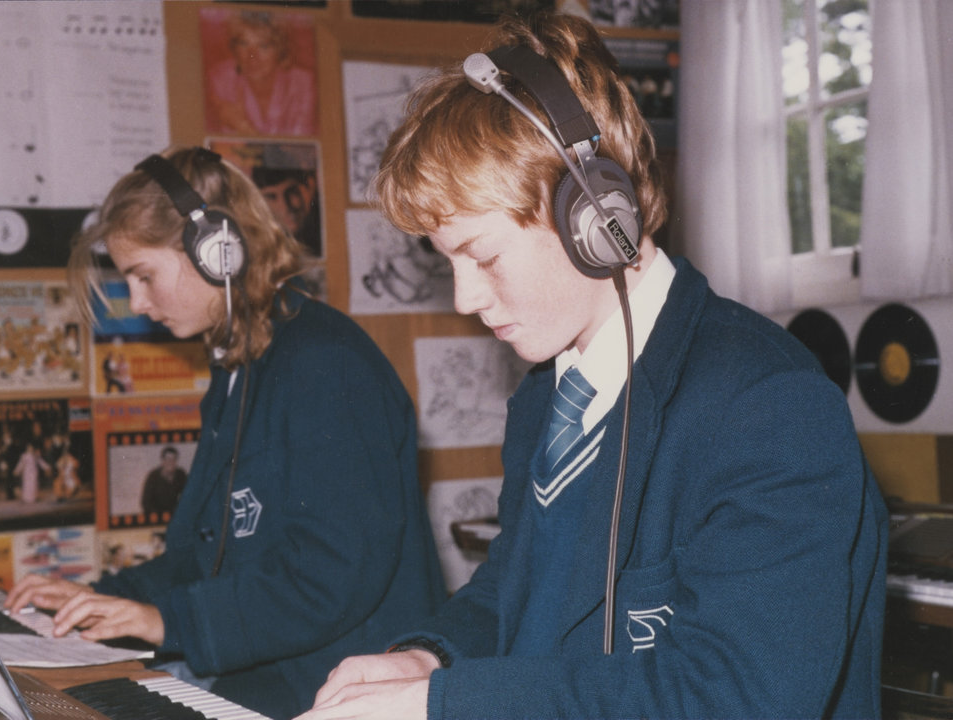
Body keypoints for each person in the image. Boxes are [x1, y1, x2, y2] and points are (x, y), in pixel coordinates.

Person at [296, 13, 888, 720]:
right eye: (445, 261)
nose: (465, 298)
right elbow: (513, 590)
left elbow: (741, 695)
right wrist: (429, 657)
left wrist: (443, 703)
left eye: (482, 257)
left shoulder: (768, 406)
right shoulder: (549, 395)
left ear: (595, 217)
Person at [6, 146, 446, 718]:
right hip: (274, 682)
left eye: (144, 276)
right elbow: (201, 555)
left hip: (341, 692)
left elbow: (329, 575)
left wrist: (166, 621)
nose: (137, 304)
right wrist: (104, 596)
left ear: (217, 252)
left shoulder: (325, 363)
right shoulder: (239, 370)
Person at [206, 10, 318, 136]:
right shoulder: (221, 79)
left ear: (280, 49)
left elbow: (300, 151)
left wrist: (245, 128)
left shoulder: (304, 84)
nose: (252, 57)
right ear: (234, 47)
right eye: (244, 44)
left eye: (263, 46)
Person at [139, 445, 189, 518]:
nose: (170, 462)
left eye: (173, 459)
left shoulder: (181, 474)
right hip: (157, 517)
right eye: (168, 459)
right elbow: (145, 503)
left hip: (175, 517)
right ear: (162, 460)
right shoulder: (153, 476)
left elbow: (188, 496)